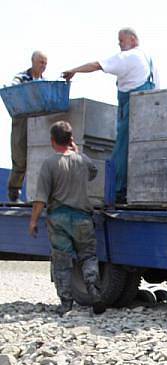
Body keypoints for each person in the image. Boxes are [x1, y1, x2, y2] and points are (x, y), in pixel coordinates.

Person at [62, 28, 157, 203]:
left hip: (132, 107)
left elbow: (97, 65)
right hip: (147, 110)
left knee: (121, 148)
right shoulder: (148, 59)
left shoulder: (128, 56)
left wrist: (74, 70)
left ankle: (118, 190)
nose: (119, 44)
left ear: (132, 39)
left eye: (121, 40)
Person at [29, 120, 105, 317]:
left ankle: (66, 304)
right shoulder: (82, 160)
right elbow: (93, 173)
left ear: (52, 140)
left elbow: (40, 199)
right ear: (71, 139)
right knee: (88, 256)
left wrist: (33, 221)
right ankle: (94, 292)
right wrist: (77, 152)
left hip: (59, 219)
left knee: (62, 261)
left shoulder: (49, 164)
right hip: (82, 217)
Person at [8, 50, 48, 202]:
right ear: (32, 61)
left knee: (37, 158)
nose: (43, 66)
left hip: (38, 122)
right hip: (22, 121)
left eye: (45, 63)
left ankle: (35, 195)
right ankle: (14, 193)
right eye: (41, 62)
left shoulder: (45, 82)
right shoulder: (22, 77)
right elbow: (12, 88)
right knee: (19, 158)